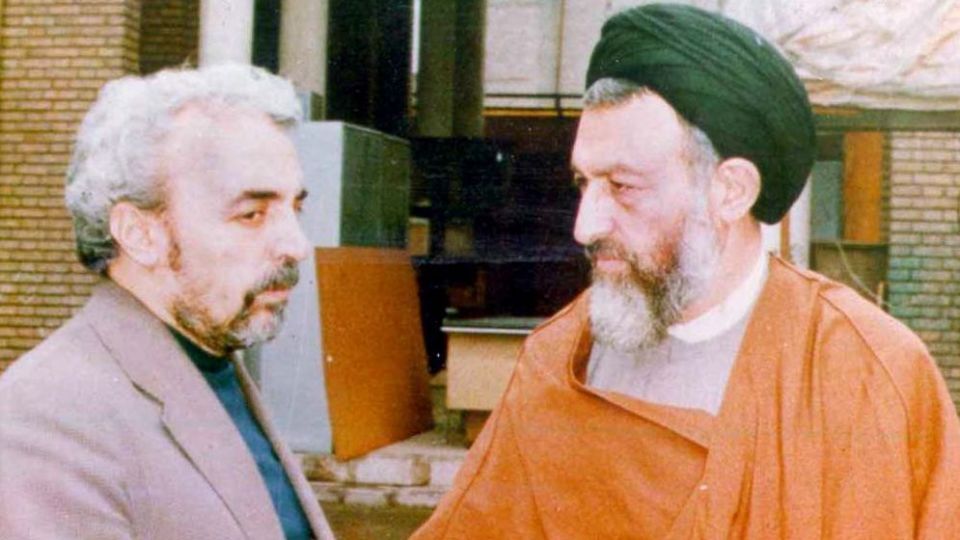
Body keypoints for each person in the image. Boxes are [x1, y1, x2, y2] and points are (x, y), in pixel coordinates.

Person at [414, 4, 960, 539]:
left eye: (622, 186)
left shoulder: (867, 373)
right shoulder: (558, 357)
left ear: (730, 191)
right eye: (584, 183)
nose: (585, 226)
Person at [0, 64, 335, 540]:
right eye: (252, 214)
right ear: (139, 234)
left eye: (294, 207)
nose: (296, 244)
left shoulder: (209, 362)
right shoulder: (49, 418)